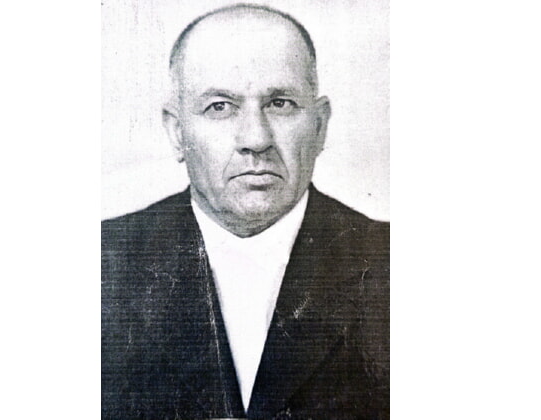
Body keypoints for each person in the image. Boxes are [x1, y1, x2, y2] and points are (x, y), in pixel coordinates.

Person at [102, 4, 389, 418]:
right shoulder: (102, 262)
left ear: (320, 125)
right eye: (220, 107)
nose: (255, 139)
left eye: (280, 104)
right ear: (177, 131)